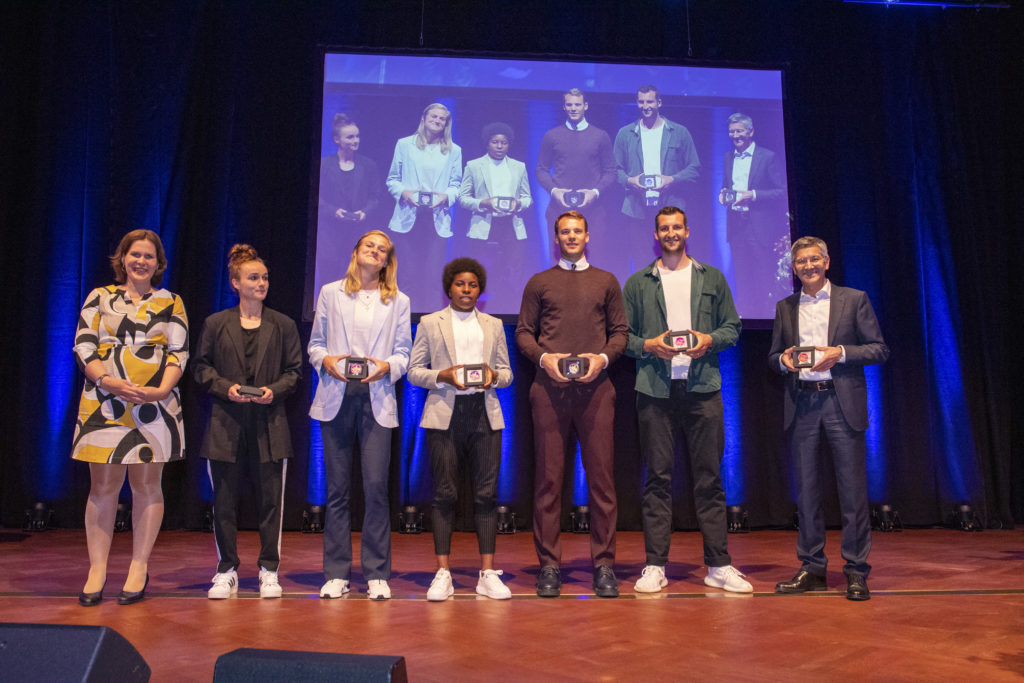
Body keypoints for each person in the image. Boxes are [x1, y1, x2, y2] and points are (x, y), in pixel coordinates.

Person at [622, 206, 751, 595]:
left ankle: (718, 564)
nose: (671, 233)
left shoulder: (711, 277)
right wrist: (649, 345)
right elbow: (621, 337)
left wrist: (709, 340)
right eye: (664, 228)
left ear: (687, 231)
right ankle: (655, 565)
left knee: (709, 480)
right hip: (655, 392)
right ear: (656, 235)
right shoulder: (638, 282)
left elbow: (733, 326)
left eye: (677, 226)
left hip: (703, 389)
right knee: (657, 480)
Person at [768, 236, 889, 601]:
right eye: (801, 261)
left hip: (840, 403)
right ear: (794, 267)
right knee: (807, 494)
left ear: (827, 261)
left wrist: (839, 352)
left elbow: (879, 348)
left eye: (813, 259)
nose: (807, 266)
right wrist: (782, 362)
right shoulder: (785, 306)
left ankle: (855, 571)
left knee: (852, 493)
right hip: (802, 404)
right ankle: (812, 568)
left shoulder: (854, 299)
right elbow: (774, 355)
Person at [71, 229, 188, 606]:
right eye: (135, 254)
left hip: (154, 405)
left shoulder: (171, 301)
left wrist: (159, 390)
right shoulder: (100, 297)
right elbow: (84, 345)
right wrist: (108, 381)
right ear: (122, 258)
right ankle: (97, 569)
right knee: (103, 488)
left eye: (149, 256)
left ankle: (139, 566)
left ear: (158, 263)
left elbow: (179, 352)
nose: (141, 261)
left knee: (147, 486)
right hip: (105, 402)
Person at [515, 210, 628, 598]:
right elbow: (524, 333)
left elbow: (620, 333)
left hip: (597, 392)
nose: (572, 236)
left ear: (587, 235)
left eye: (577, 231)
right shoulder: (539, 282)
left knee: (602, 482)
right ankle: (549, 565)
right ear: (556, 237)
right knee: (548, 481)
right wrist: (545, 360)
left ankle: (604, 565)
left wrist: (603, 360)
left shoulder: (607, 280)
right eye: (565, 232)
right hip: (549, 391)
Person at [193, 244, 302, 600]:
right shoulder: (216, 323)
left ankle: (269, 569)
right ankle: (226, 569)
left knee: (272, 502)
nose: (261, 283)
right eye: (253, 277)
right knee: (224, 502)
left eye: (265, 277)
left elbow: (295, 373)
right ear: (236, 283)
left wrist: (273, 390)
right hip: (226, 425)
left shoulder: (283, 325)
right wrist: (227, 388)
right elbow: (201, 368)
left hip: (270, 426)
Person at [309, 230, 411, 601]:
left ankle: (376, 573)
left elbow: (404, 354)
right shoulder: (330, 293)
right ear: (356, 251)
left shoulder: (398, 300)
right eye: (369, 245)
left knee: (375, 488)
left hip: (377, 399)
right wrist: (327, 361)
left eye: (382, 250)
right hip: (336, 396)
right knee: (336, 489)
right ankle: (336, 573)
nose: (375, 251)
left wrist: (387, 367)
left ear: (387, 261)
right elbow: (315, 346)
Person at [408, 258, 514, 601]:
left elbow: (507, 373)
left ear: (479, 290)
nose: (466, 290)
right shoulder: (429, 322)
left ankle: (487, 573)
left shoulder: (495, 325)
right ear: (448, 287)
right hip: (444, 414)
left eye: (472, 285)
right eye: (459, 284)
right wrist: (442, 376)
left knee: (486, 495)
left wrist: (493, 376)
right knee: (444, 494)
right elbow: (413, 372)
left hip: (484, 414)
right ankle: (443, 573)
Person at [613, 85, 701, 272]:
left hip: (671, 208)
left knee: (673, 263)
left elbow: (694, 169)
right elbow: (614, 170)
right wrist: (630, 181)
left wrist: (672, 179)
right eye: (642, 101)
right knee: (641, 265)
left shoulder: (679, 132)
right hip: (636, 209)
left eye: (650, 101)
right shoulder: (625, 134)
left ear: (659, 102)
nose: (646, 106)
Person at [535, 89, 616, 269]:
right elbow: (541, 170)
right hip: (559, 211)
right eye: (569, 105)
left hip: (593, 212)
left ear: (585, 106)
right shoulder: (552, 136)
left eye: (577, 104)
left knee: (594, 263)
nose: (573, 108)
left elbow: (611, 171)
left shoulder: (600, 136)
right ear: (564, 107)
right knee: (558, 265)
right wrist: (554, 191)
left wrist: (594, 193)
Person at [718, 113, 788, 314]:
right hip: (737, 226)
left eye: (739, 131)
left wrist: (753, 195)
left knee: (763, 275)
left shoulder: (767, 157)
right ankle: (746, 317)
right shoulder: (728, 157)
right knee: (742, 276)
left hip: (759, 227)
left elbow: (782, 192)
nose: (735, 135)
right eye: (732, 131)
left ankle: (767, 317)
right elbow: (726, 185)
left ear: (750, 131)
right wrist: (723, 195)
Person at [385, 103, 463, 273]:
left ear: (446, 124)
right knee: (406, 273)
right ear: (423, 118)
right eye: (433, 116)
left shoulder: (454, 150)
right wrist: (404, 193)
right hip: (408, 215)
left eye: (442, 119)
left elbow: (456, 184)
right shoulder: (404, 145)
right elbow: (392, 179)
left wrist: (447, 197)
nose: (437, 120)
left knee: (433, 275)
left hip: (437, 218)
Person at [458, 122, 532, 296]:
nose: (499, 146)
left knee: (514, 272)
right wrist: (483, 203)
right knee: (480, 271)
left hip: (511, 225)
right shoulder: (474, 166)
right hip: (484, 224)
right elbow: (463, 198)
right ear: (487, 143)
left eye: (504, 143)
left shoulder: (519, 167)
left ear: (509, 144)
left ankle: (512, 305)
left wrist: (518, 204)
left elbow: (528, 197)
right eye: (495, 142)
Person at [316, 113, 382, 294]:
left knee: (357, 280)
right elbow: (317, 197)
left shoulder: (368, 165)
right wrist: (333, 211)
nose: (355, 140)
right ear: (337, 139)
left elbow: (375, 196)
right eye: (350, 137)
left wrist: (364, 212)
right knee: (328, 281)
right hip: (330, 234)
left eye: (357, 136)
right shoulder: (324, 165)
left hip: (357, 233)